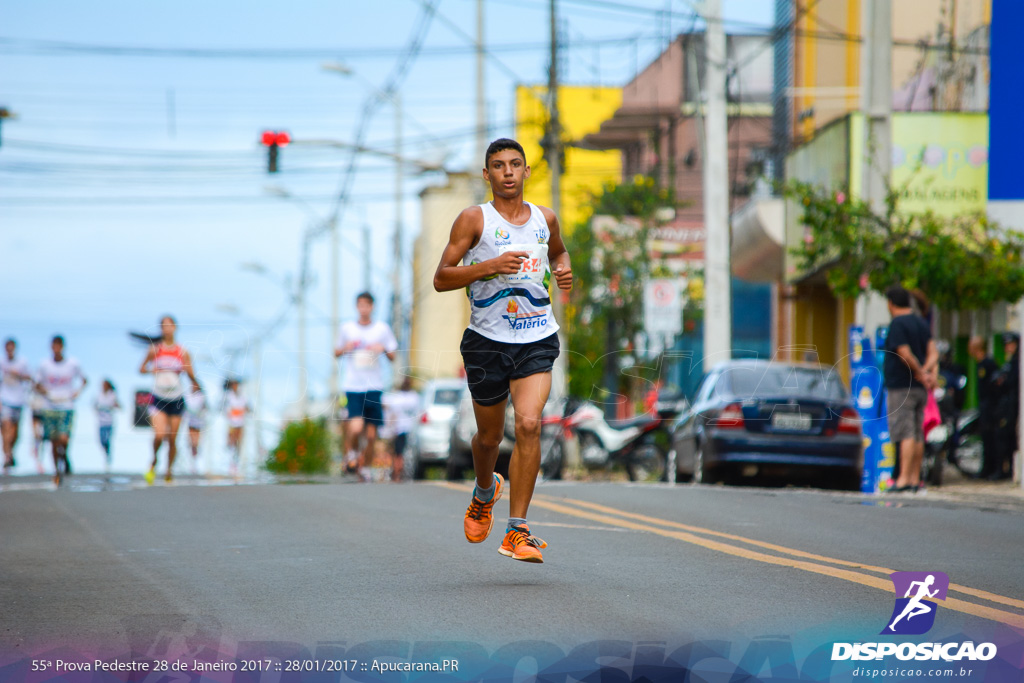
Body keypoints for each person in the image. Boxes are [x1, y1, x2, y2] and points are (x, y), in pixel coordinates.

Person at [432, 137, 573, 563]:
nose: (508, 172)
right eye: (499, 165)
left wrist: (564, 271)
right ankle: (483, 490)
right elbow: (442, 277)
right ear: (487, 174)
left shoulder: (545, 219)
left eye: (515, 164)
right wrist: (491, 265)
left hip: (536, 336)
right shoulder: (474, 220)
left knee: (529, 426)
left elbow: (560, 254)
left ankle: (518, 530)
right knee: (490, 437)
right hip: (487, 342)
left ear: (527, 171)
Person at [334, 292, 398, 479]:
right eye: (360, 305)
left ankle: (366, 468)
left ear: (372, 307)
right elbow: (336, 352)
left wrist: (383, 349)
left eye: (367, 305)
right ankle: (352, 453)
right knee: (355, 427)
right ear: (356, 307)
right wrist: (345, 347)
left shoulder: (381, 329)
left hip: (374, 385)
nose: (363, 309)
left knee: (371, 435)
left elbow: (393, 355)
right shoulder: (347, 328)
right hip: (353, 386)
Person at [883, 285, 938, 493]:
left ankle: (903, 479)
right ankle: (915, 479)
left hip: (901, 387)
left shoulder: (898, 323)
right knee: (917, 433)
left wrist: (919, 371)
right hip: (919, 389)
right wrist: (927, 372)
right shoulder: (921, 323)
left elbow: (904, 353)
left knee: (905, 432)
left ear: (891, 303)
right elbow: (933, 352)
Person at [139, 316, 200, 484]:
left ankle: (169, 470)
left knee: (172, 438)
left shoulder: (182, 351)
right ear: (161, 329)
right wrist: (151, 370)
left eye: (170, 325)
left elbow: (190, 372)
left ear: (175, 328)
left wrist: (196, 384)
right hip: (158, 397)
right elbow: (141, 368)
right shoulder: (155, 350)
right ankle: (154, 460)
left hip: (177, 398)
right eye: (164, 326)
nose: (167, 329)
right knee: (159, 435)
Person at [35, 335, 87, 486]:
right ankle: (57, 471)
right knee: (53, 441)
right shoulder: (44, 364)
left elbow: (84, 380)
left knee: (63, 439)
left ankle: (64, 456)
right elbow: (36, 383)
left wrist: (77, 392)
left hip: (67, 406)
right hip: (49, 406)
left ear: (63, 347)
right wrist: (46, 392)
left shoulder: (73, 364)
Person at [968, 336, 1000, 479]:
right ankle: (986, 468)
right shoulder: (979, 363)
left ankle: (992, 468)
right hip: (984, 405)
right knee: (985, 438)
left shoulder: (988, 363)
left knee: (991, 438)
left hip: (991, 406)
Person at [1, 338, 33, 473]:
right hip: (5, 400)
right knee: (6, 429)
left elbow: (30, 378)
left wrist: (18, 375)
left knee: (15, 433)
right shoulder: (1, 362)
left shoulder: (22, 362)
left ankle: (11, 452)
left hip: (19, 401)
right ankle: (7, 456)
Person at [992, 332, 1020, 480]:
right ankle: (1003, 469)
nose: (1008, 347)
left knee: (1007, 438)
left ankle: (1006, 470)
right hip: (1005, 403)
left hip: (1012, 404)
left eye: (1011, 344)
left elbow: (1010, 383)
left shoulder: (1017, 363)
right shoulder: (1009, 363)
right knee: (1002, 436)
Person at [383, 377, 419, 482]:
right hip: (408, 429)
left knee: (397, 452)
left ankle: (397, 472)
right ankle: (398, 472)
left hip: (399, 428)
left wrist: (389, 427)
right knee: (401, 452)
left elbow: (392, 413)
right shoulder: (414, 397)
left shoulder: (398, 397)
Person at [222, 379, 250, 475]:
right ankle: (231, 463)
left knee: (238, 443)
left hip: (240, 423)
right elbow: (226, 410)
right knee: (231, 442)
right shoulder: (228, 396)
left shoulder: (243, 396)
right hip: (232, 423)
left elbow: (246, 407)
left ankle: (235, 463)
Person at [94, 379, 121, 474]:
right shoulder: (99, 395)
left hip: (109, 422)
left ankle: (108, 454)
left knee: (107, 440)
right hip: (101, 422)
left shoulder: (112, 395)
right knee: (101, 440)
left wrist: (114, 406)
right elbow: (94, 405)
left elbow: (119, 406)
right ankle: (106, 452)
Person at [184, 385, 207, 474]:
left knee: (196, 443)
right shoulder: (187, 396)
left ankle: (195, 460)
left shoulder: (201, 396)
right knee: (191, 442)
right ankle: (192, 462)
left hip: (199, 422)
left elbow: (205, 408)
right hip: (190, 422)